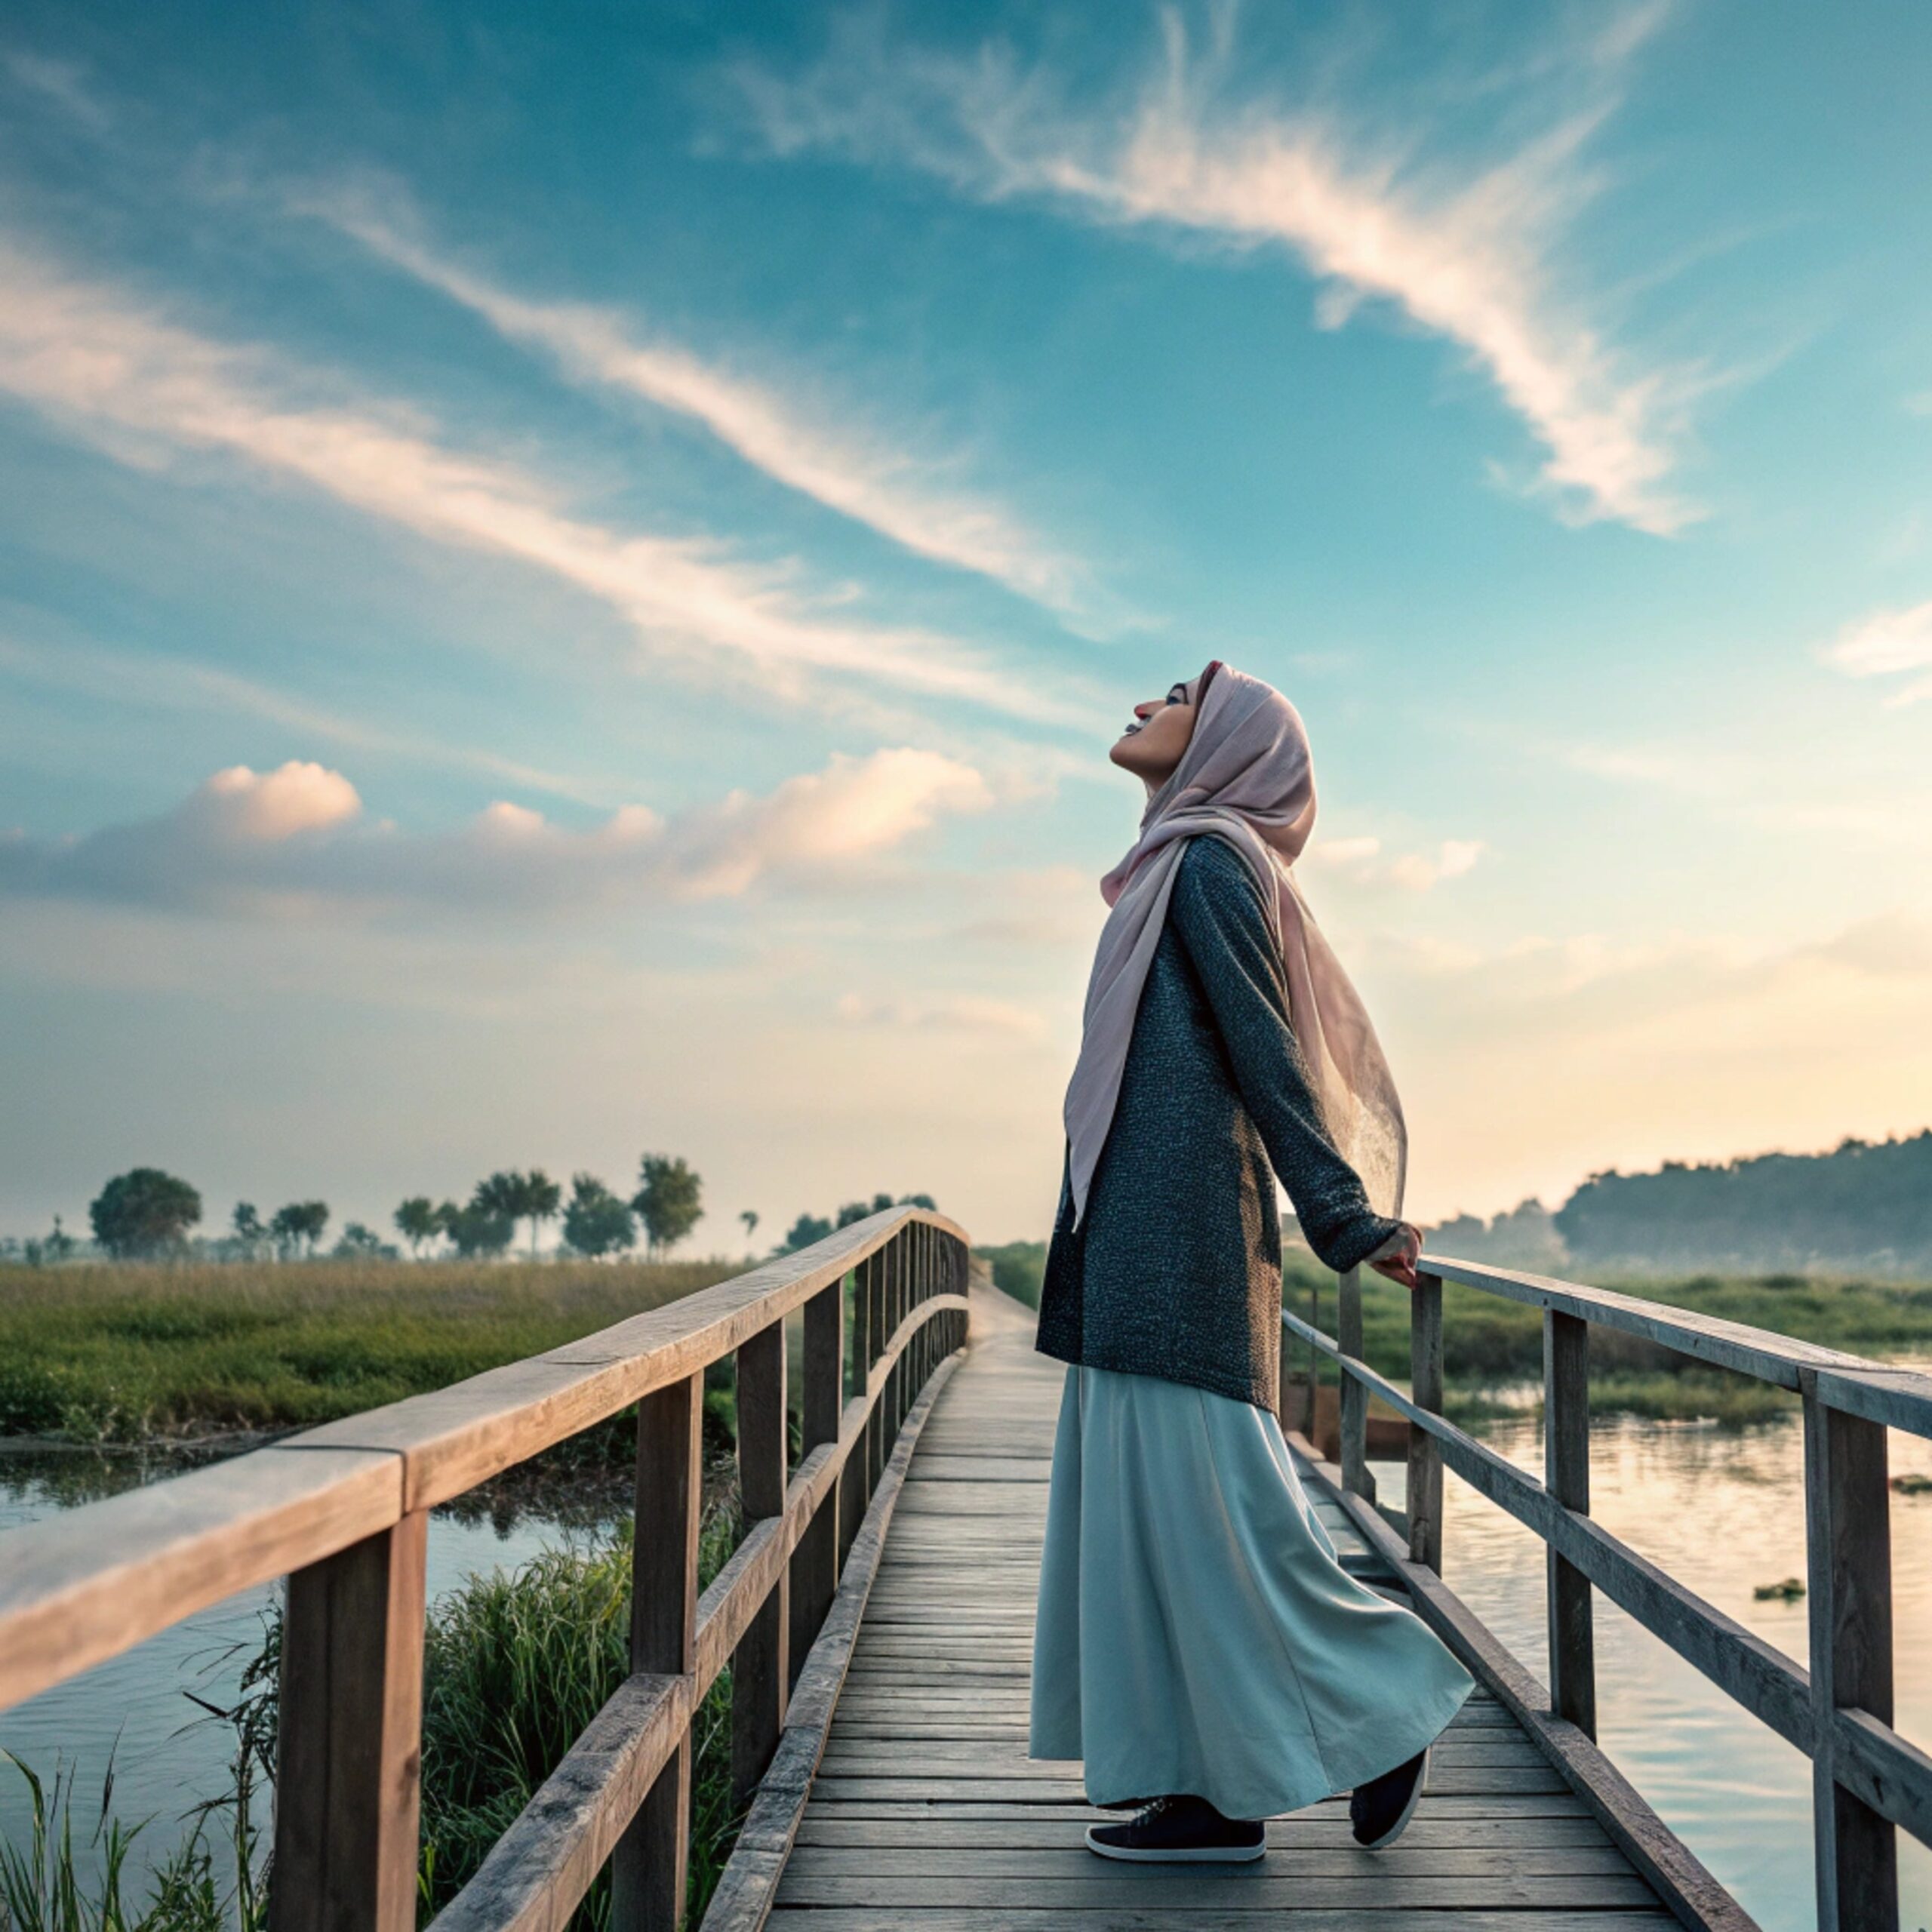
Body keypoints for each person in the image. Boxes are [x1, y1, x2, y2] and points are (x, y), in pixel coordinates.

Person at [1028, 660, 1475, 1863]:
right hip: (1136, 1256)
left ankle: (1383, 1713)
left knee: (1227, 1525)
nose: (1141, 703)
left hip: (1184, 1261)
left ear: (1225, 738)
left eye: (1175, 692)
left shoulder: (1212, 864)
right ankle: (1214, 1797)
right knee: (1163, 1535)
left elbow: (1269, 1061)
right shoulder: (1170, 869)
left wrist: (1345, 1217)